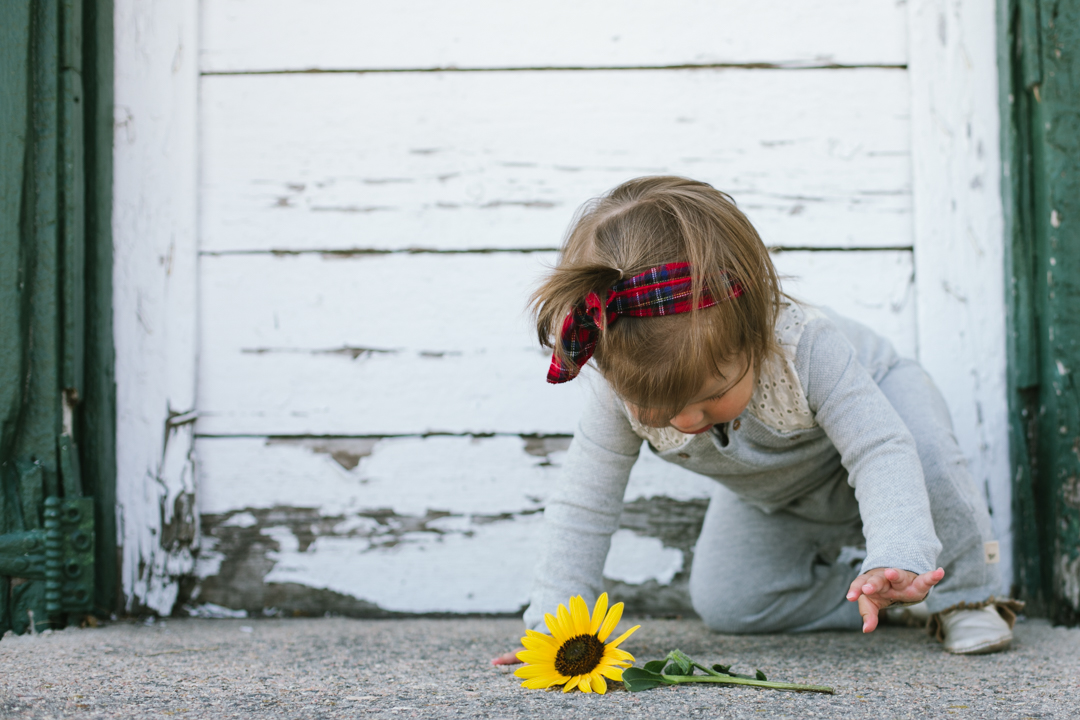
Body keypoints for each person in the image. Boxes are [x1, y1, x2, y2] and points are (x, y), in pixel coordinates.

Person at [492, 176, 1020, 666]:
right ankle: (890, 598)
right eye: (657, 408)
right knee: (731, 602)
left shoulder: (804, 346)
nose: (685, 420)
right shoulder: (618, 394)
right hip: (781, 489)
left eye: (712, 394)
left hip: (883, 431)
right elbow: (584, 504)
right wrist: (554, 632)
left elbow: (880, 449)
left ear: (754, 335)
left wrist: (897, 550)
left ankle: (965, 597)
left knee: (927, 459)